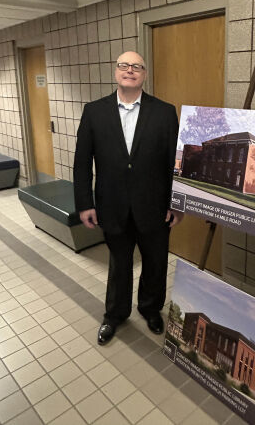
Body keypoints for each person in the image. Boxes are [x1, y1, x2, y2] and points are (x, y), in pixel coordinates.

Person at [73, 51, 182, 345]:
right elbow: (82, 161)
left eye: (136, 66)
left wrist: (177, 203)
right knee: (119, 264)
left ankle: (150, 309)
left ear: (144, 74)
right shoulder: (94, 111)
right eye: (124, 65)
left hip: (156, 207)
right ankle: (115, 314)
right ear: (116, 71)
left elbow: (175, 163)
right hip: (112, 205)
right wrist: (84, 203)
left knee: (156, 263)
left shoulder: (165, 112)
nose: (130, 70)